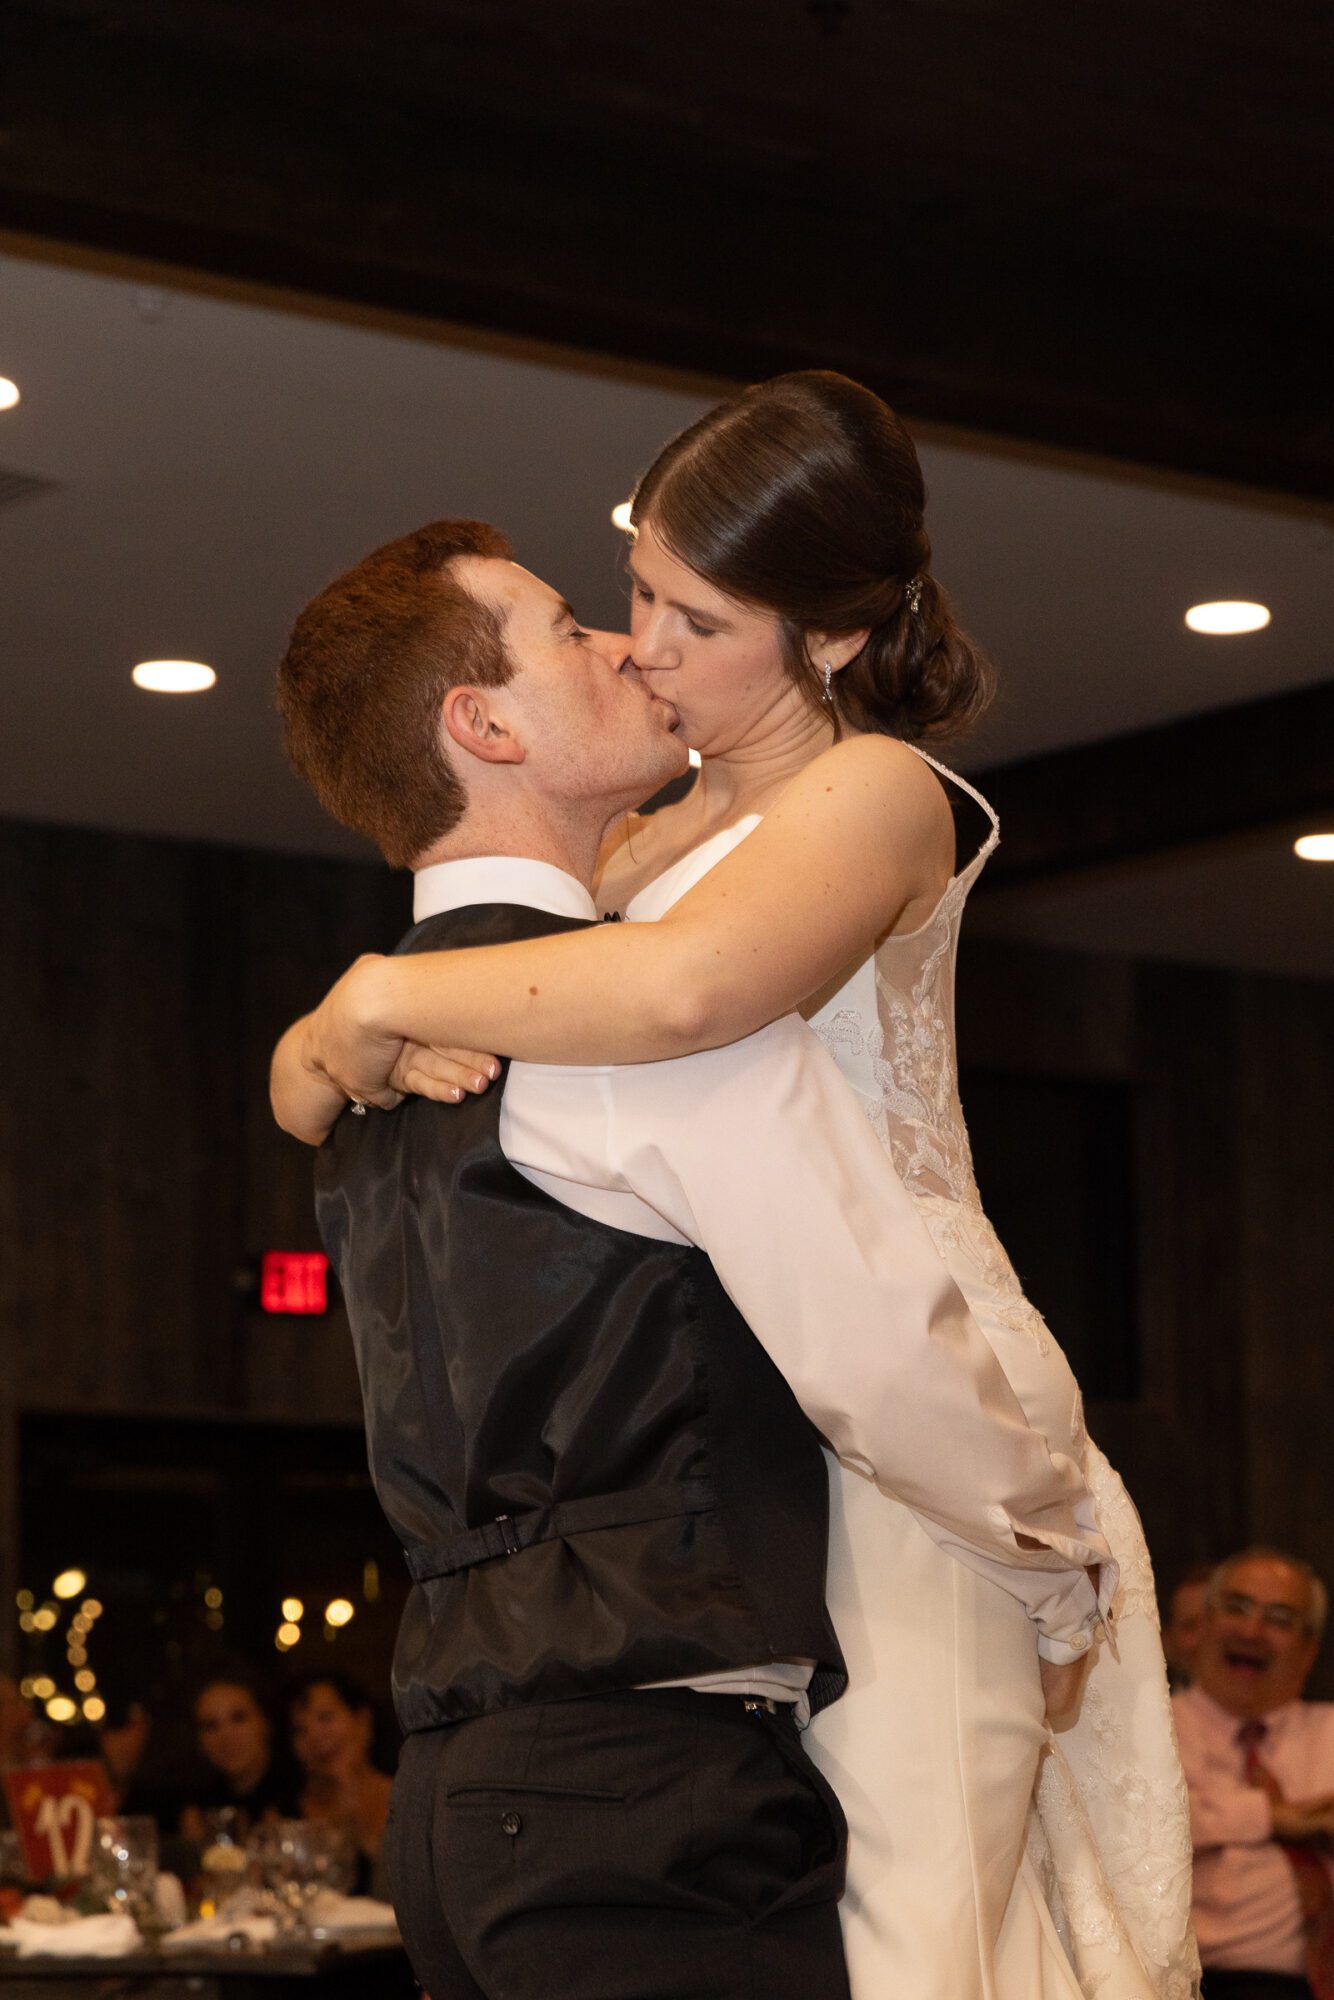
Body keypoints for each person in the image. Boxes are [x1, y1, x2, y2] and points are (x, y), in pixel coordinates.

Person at [272, 373, 1196, 2000]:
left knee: (912, 1920)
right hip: (739, 1425)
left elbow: (689, 995)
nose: (641, 648)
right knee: (796, 1915)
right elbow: (421, 1038)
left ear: (828, 641)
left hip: (909, 1406)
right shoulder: (633, 841)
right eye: (631, 594)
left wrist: (380, 998)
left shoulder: (872, 791)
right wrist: (322, 1041)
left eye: (693, 618)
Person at [1174, 1549, 1334, 2000]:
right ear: (1202, 1624)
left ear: (1309, 1651)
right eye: (1236, 1608)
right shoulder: (1151, 1732)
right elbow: (1132, 1832)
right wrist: (1271, 1817)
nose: (1252, 1631)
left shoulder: (1329, 1732)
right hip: (1191, 1985)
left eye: (1280, 1619)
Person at [288, 1672, 392, 1895]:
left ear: (362, 1721)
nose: (315, 1736)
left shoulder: (410, 1797)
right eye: (301, 1730)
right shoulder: (292, 1821)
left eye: (325, 1718)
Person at [179, 1668, 299, 1840]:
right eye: (210, 1726)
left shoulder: (303, 1796)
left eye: (239, 1718)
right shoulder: (198, 1808)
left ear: (265, 1722)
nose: (226, 1737)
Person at [1165, 1564, 1217, 1689]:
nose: (1203, 1637)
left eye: (1212, 1622)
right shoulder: (1151, 1706)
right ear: (1166, 1640)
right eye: (1190, 1626)